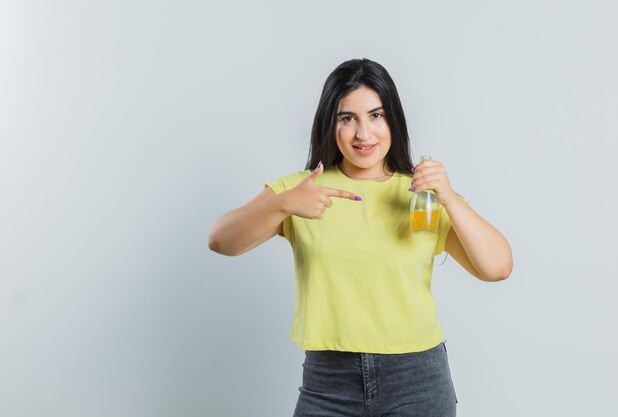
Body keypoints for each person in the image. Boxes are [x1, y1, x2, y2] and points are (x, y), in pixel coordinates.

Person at [209, 58, 513, 417]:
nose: (363, 134)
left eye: (376, 115)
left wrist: (448, 197)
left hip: (417, 381)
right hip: (328, 384)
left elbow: (498, 267)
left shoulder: (422, 194)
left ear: (393, 121)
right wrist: (283, 204)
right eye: (347, 118)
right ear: (330, 124)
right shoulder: (302, 189)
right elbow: (220, 239)